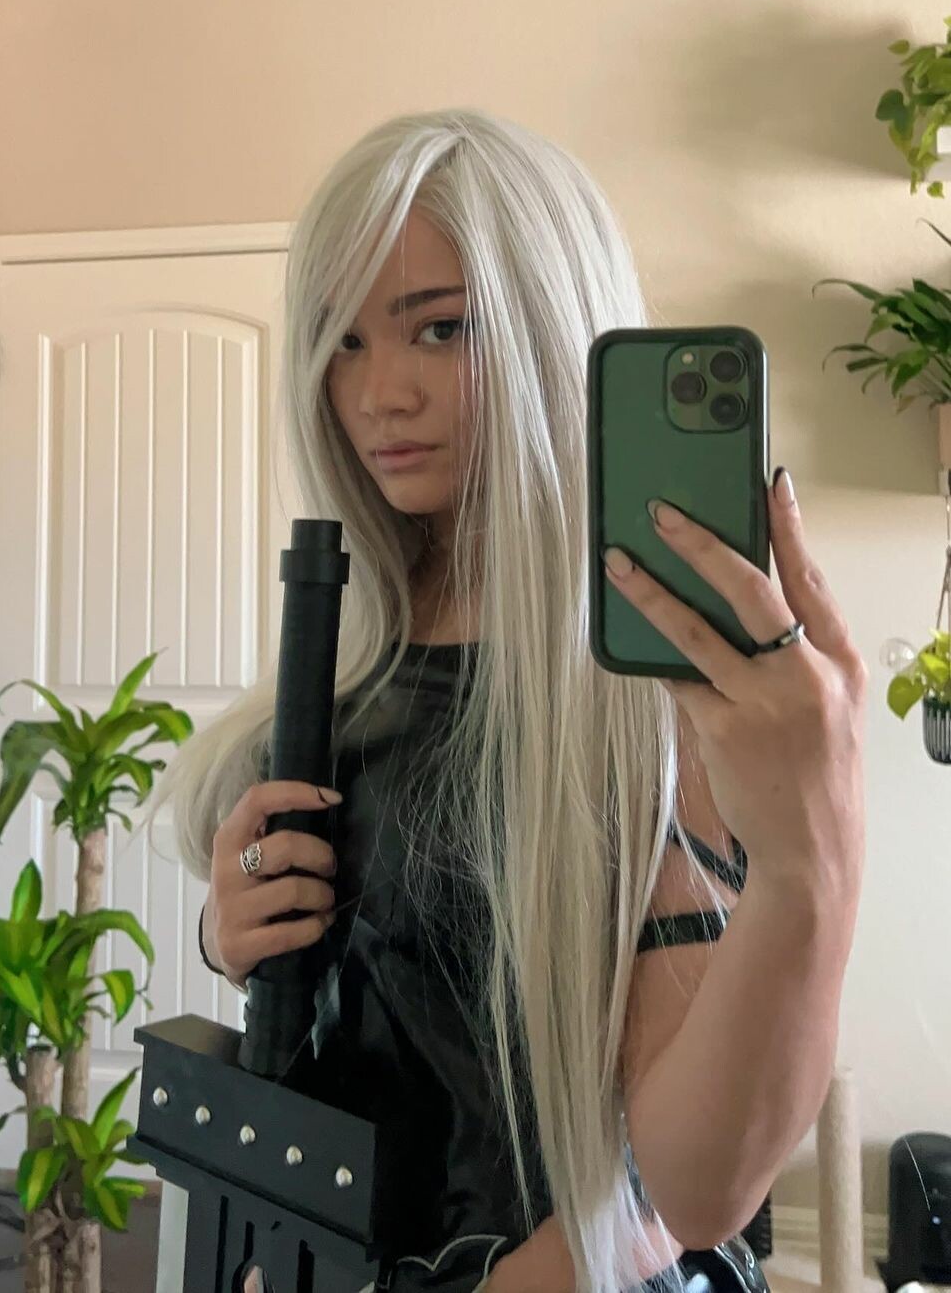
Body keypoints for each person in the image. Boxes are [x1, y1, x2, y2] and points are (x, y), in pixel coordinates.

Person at [139, 109, 867, 1293]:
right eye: (343, 340)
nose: (379, 394)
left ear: (549, 324)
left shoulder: (655, 691)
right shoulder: (352, 648)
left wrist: (811, 868)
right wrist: (241, 934)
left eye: (440, 328)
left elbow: (682, 1193)